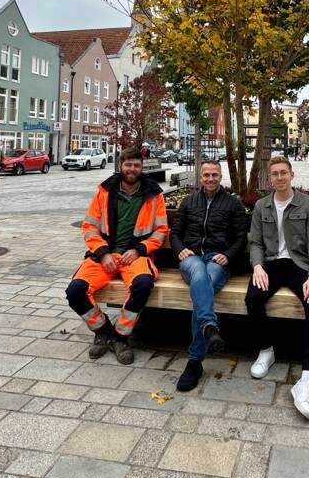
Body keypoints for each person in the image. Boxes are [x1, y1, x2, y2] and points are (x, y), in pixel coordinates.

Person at [65, 146, 168, 365]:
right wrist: (102, 254)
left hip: (135, 256)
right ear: (120, 165)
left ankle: (120, 337)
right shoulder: (104, 191)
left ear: (142, 168)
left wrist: (139, 249)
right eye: (128, 164)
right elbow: (89, 227)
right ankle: (103, 331)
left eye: (137, 165)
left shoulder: (153, 194)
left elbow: (161, 231)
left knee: (142, 285)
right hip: (104, 256)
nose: (132, 169)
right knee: (75, 291)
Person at [245, 156, 309, 419]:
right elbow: (255, 242)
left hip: (299, 265)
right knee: (253, 297)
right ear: (270, 179)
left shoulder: (308, 205)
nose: (279, 178)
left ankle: (307, 378)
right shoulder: (261, 207)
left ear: (292, 175)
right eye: (274, 174)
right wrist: (257, 267)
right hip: (271, 264)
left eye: (283, 173)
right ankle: (266, 351)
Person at [170, 160, 247, 392]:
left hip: (217, 259)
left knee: (204, 282)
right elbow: (175, 233)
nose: (210, 179)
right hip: (191, 257)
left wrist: (228, 255)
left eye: (214, 175)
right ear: (200, 177)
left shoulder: (233, 204)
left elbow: (241, 238)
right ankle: (209, 329)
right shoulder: (188, 202)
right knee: (199, 274)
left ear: (221, 176)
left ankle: (195, 361)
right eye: (206, 175)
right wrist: (179, 248)